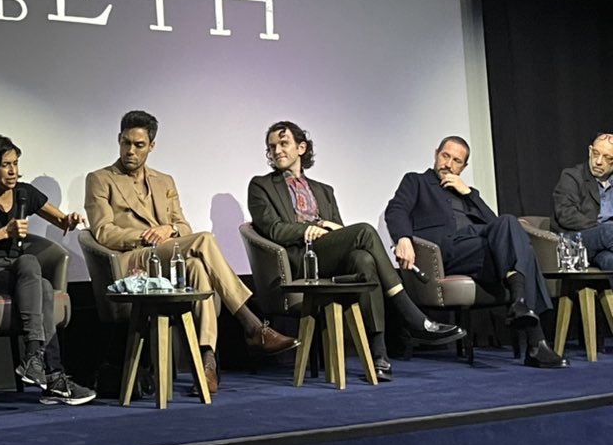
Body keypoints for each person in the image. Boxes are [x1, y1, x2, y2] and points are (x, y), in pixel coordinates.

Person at [84, 110, 299, 395]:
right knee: (205, 240)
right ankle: (251, 324)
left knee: (198, 269)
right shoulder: (100, 179)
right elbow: (103, 232)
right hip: (131, 263)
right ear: (119, 140)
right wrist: (146, 236)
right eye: (126, 143)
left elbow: (182, 225)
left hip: (166, 258)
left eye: (138, 145)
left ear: (151, 146)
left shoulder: (164, 181)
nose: (130, 151)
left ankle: (206, 363)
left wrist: (168, 230)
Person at [248, 121, 465, 381]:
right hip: (298, 260)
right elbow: (273, 229)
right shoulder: (261, 186)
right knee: (363, 231)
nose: (277, 151)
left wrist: (329, 228)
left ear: (301, 148)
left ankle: (379, 355)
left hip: (326, 256)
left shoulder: (323, 190)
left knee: (364, 260)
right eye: (272, 147)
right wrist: (311, 228)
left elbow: (338, 229)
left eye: (284, 144)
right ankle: (411, 315)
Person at [385, 136, 567, 369]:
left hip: (479, 247)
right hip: (446, 251)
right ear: (436, 154)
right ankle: (535, 337)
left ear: (463, 167)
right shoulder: (416, 182)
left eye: (457, 161)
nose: (449, 164)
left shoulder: (468, 194)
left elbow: (499, 226)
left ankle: (526, 317)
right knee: (525, 253)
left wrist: (469, 193)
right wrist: (403, 238)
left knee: (509, 222)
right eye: (445, 156)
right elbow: (396, 209)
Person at [0, 134, 96, 405]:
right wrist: (3, 232)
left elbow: (61, 219)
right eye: (5, 165)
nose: (13, 170)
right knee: (30, 264)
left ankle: (46, 372)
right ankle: (41, 365)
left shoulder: (23, 193)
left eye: (15, 163)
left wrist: (71, 219)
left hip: (16, 271)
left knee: (41, 284)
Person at [553, 132, 613, 274]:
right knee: (607, 231)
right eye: (596, 153)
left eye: (607, 158)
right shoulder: (572, 176)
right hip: (578, 239)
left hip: (605, 246)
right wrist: (600, 229)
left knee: (609, 260)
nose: (598, 161)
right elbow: (566, 214)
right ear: (590, 151)